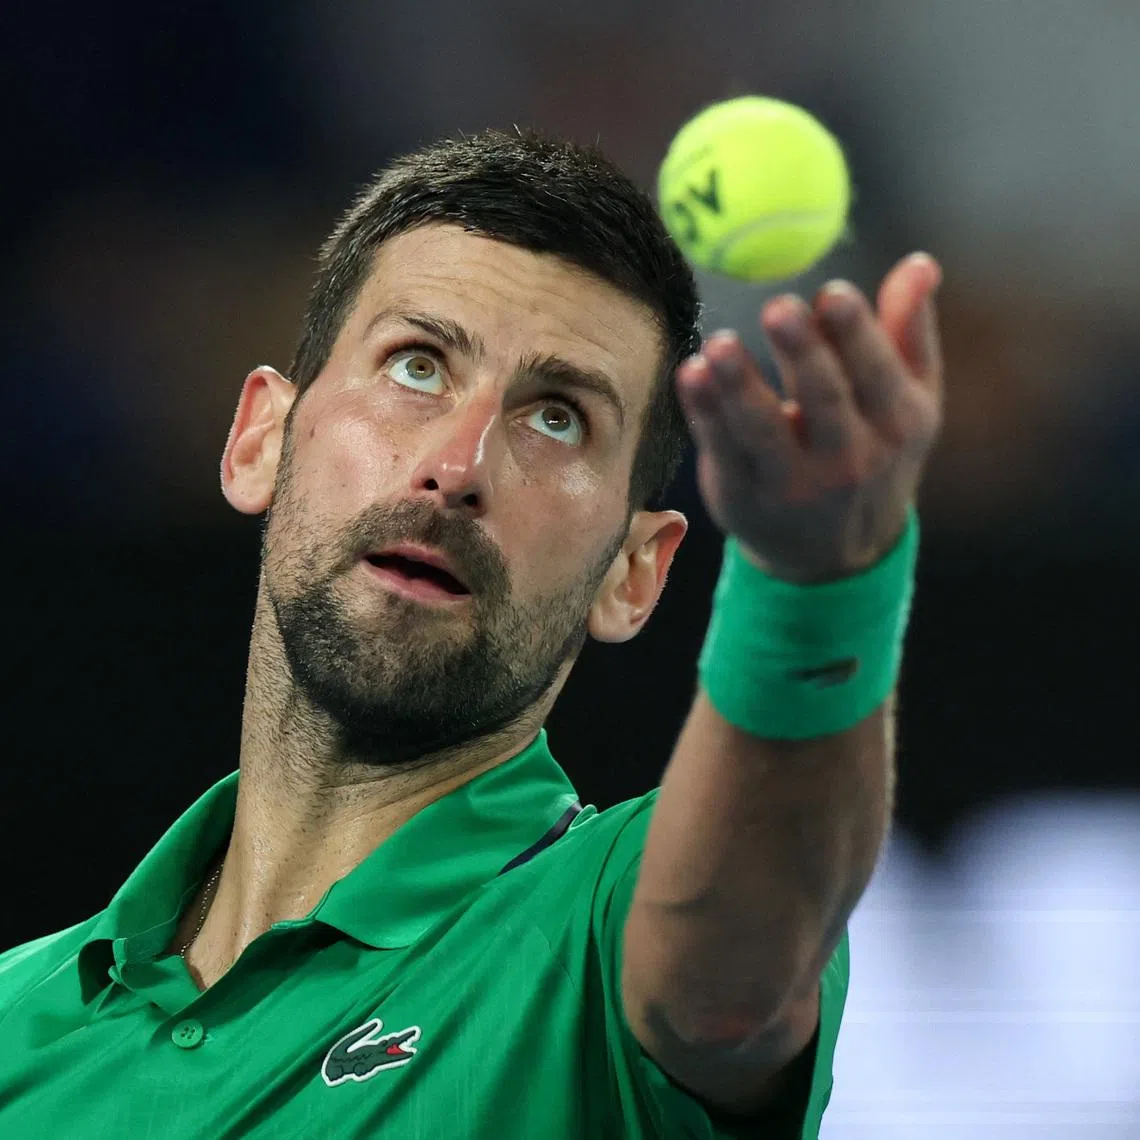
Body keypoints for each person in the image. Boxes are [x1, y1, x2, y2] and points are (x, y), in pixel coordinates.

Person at [0, 130, 942, 1138]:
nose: (459, 465)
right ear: (260, 439)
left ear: (634, 574)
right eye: (416, 365)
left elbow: (732, 987)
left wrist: (821, 585)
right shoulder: (17, 1022)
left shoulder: (604, 926)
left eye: (558, 419)